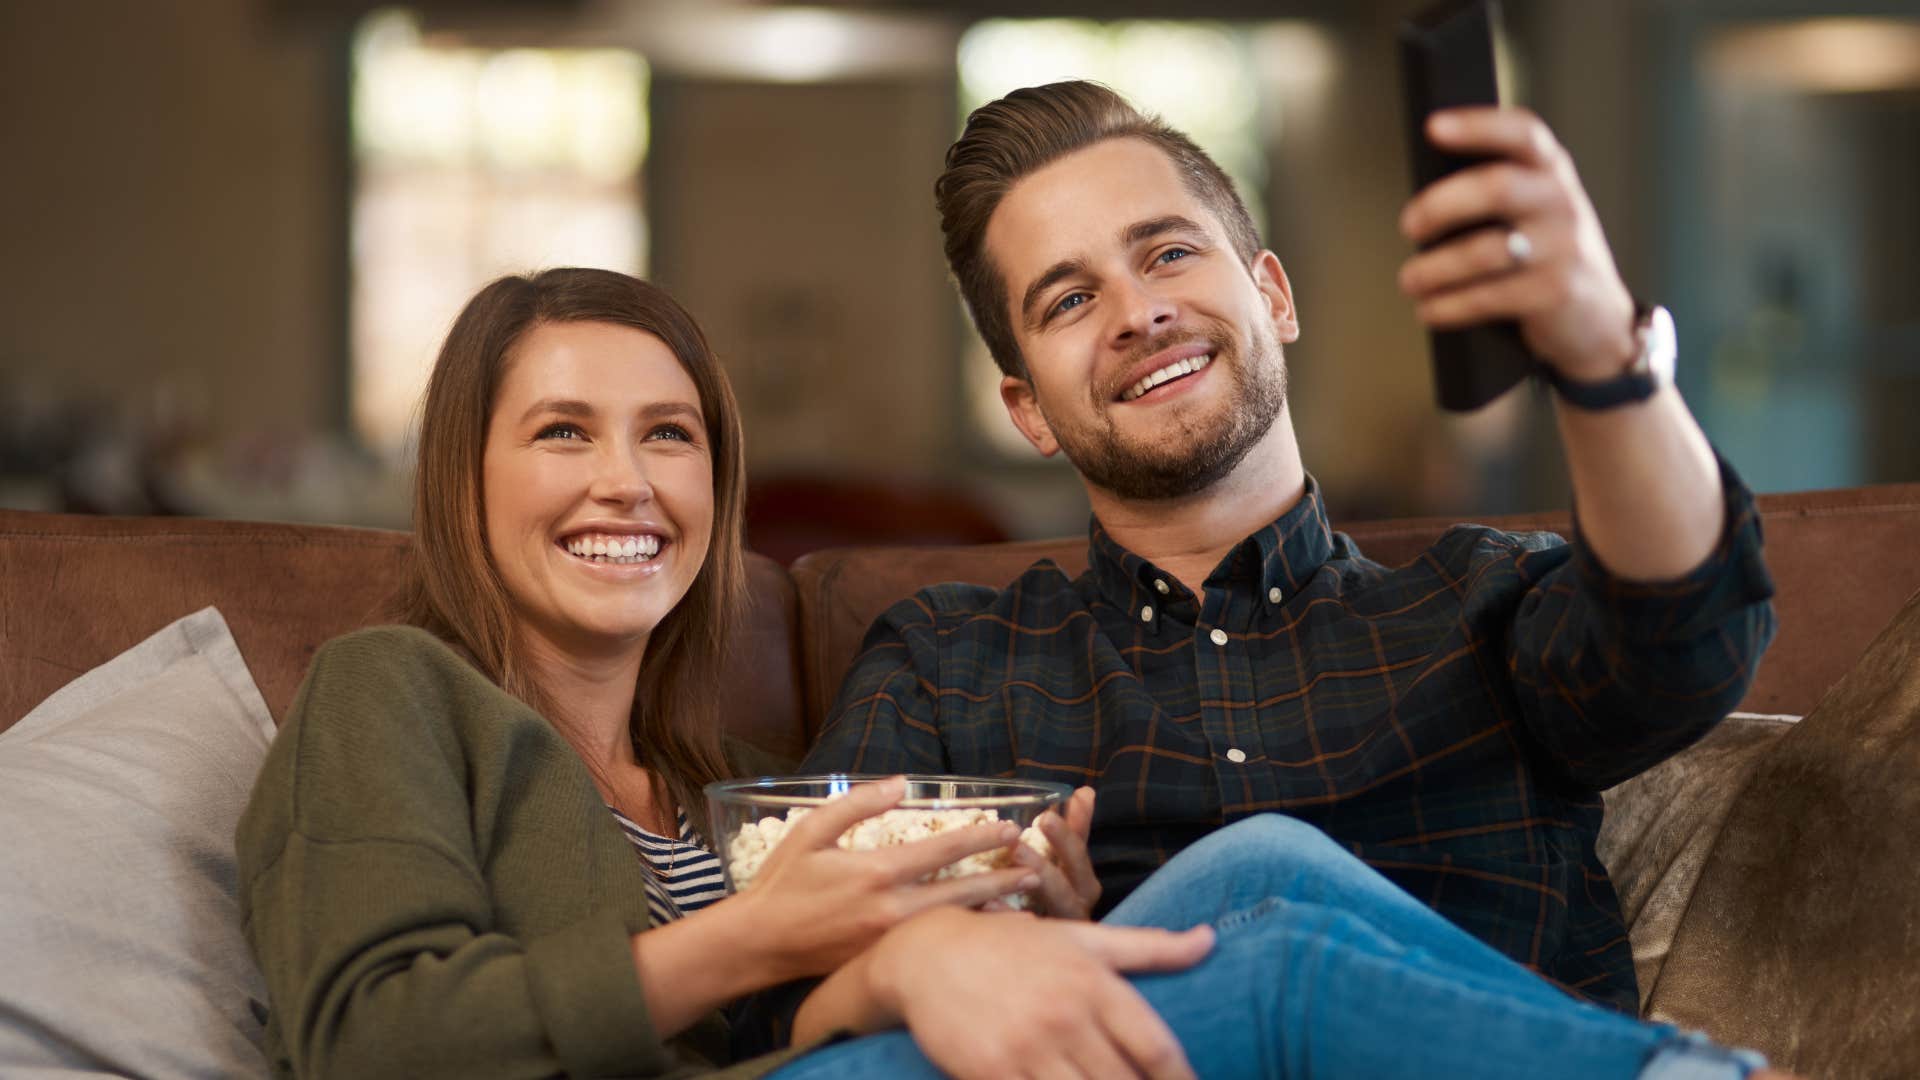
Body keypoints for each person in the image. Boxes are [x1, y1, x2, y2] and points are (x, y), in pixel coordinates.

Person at [237, 268, 1789, 1080]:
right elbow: (371, 1042)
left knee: (1262, 864)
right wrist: (792, 945)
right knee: (1266, 977)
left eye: (671, 435)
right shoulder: (395, 690)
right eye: (561, 431)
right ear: (466, 474)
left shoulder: (700, 794)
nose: (627, 482)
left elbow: (775, 1025)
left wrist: (942, 949)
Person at [795, 79, 1776, 1025]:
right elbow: (791, 990)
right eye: (1068, 302)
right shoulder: (946, 665)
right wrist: (1014, 946)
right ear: (1028, 410)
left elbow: (1688, 640)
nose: (1139, 314)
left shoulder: (1486, 601)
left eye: (1169, 253)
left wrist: (1600, 351)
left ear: (1274, 297)